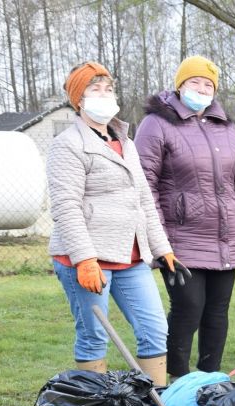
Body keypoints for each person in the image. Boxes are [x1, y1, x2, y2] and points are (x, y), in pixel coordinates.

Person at [47, 62, 186, 386]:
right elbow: (66, 207)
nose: (104, 95)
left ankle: (155, 403)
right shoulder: (68, 144)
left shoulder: (126, 141)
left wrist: (164, 250)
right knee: (95, 335)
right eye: (94, 90)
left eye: (108, 89)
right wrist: (84, 259)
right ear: (78, 99)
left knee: (154, 330)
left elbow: (144, 201)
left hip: (131, 257)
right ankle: (91, 402)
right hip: (87, 260)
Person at [135, 55, 235, 380]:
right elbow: (143, 184)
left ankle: (209, 380)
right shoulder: (157, 123)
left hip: (225, 239)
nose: (202, 89)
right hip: (181, 240)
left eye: (208, 84)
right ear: (180, 86)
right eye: (195, 82)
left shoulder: (227, 128)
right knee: (188, 309)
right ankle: (175, 380)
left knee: (217, 313)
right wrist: (158, 241)